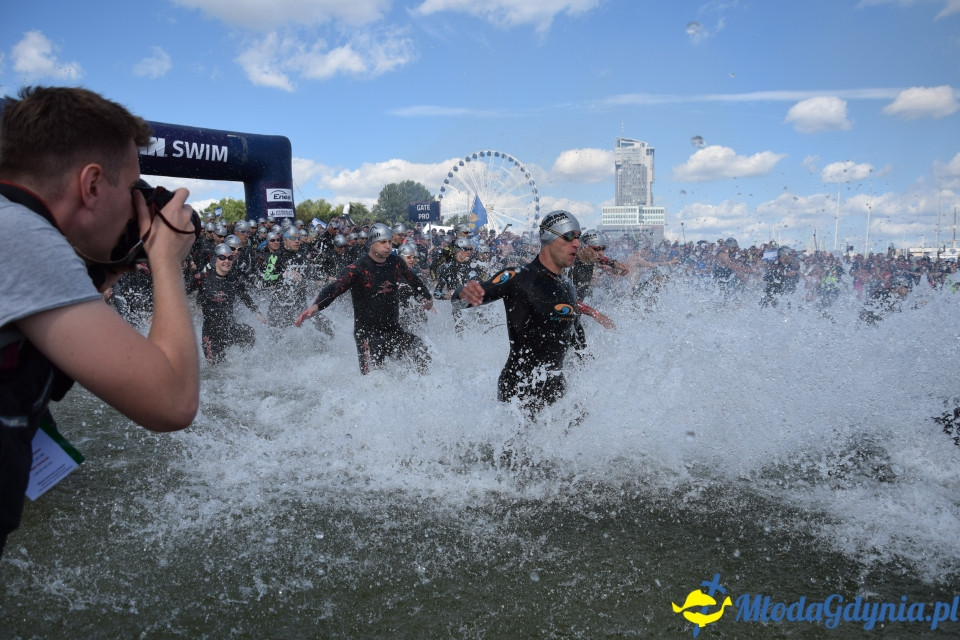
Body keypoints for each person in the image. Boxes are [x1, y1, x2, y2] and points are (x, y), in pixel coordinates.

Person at [0, 86, 200, 556]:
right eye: (133, 187)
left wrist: (101, 269)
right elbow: (171, 401)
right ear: (92, 185)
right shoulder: (19, 234)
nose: (138, 201)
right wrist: (166, 259)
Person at [454, 210, 602, 416]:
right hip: (520, 387)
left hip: (556, 387)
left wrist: (590, 364)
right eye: (569, 237)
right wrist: (462, 294)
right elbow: (462, 301)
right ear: (548, 238)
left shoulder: (568, 285)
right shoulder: (517, 276)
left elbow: (576, 333)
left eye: (578, 237)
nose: (577, 244)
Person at [295, 223, 434, 374]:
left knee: (420, 350)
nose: (387, 246)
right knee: (373, 379)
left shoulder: (396, 263)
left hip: (393, 330)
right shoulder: (358, 268)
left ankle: (419, 390)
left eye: (389, 241)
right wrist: (315, 306)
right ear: (372, 243)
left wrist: (427, 297)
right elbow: (335, 288)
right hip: (367, 336)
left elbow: (414, 280)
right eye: (383, 242)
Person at [188, 243, 266, 364]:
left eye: (230, 258)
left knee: (249, 333)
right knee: (216, 370)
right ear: (215, 259)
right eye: (222, 258)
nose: (227, 261)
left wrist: (257, 313)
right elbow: (181, 291)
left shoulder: (234, 279)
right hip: (211, 335)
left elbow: (246, 297)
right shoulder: (203, 278)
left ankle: (241, 363)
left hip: (229, 329)